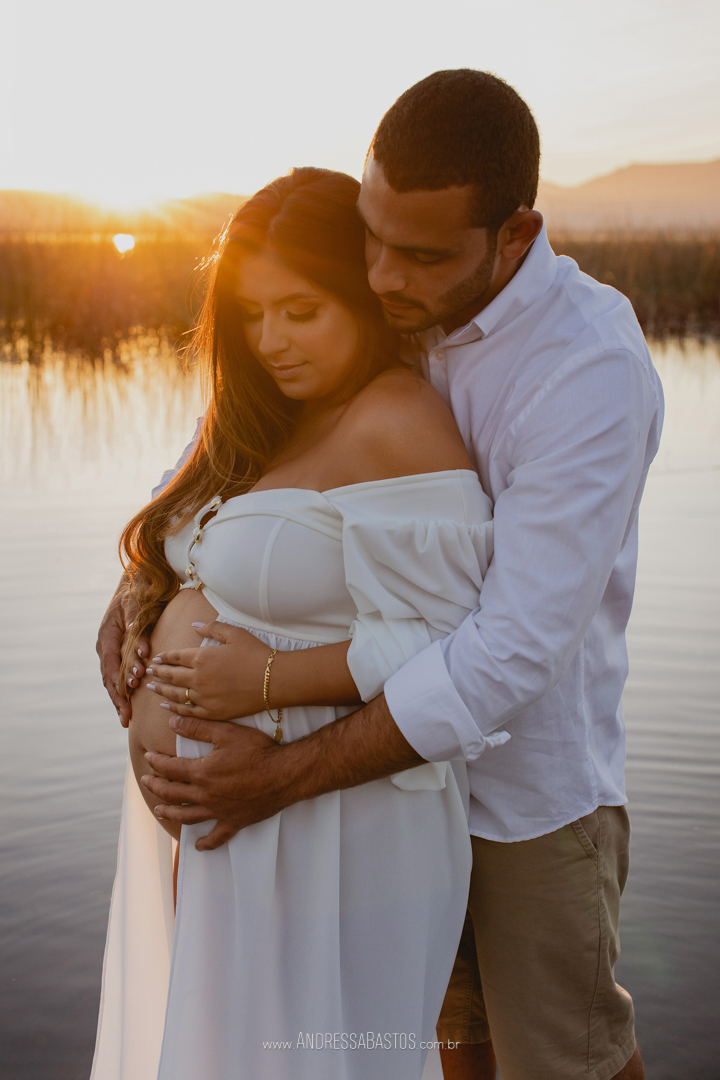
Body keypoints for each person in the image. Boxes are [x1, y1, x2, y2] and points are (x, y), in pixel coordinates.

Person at [99, 71, 664, 1080]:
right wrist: (144, 582)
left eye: (421, 254)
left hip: (516, 797)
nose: (387, 274)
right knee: (436, 1056)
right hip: (369, 809)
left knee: (560, 1061)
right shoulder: (378, 300)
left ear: (515, 234)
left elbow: (511, 647)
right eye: (371, 236)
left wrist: (276, 770)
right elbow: (233, 451)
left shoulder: (584, 370)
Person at [91, 166, 499, 1080]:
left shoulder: (397, 422)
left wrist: (268, 682)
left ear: (361, 295)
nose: (271, 340)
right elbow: (189, 542)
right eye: (251, 313)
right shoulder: (272, 415)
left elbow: (458, 645)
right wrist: (134, 597)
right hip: (246, 835)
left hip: (344, 832)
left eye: (301, 311)